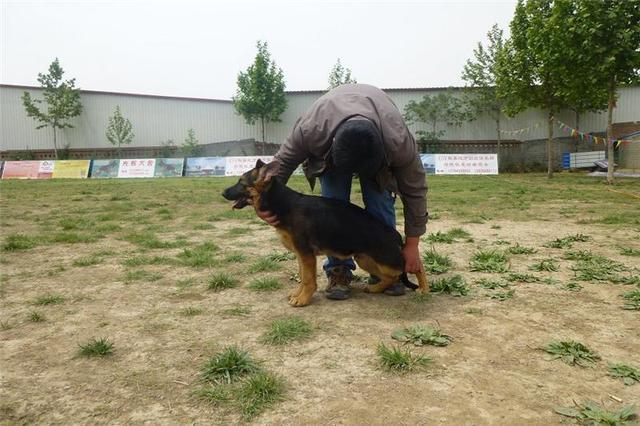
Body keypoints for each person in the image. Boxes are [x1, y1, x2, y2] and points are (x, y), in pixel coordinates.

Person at [257, 83, 428, 300]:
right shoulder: (312, 128)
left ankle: (385, 267)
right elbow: (281, 166)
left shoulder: (398, 141)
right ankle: (338, 270)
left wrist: (412, 245)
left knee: (379, 200)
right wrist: (267, 204)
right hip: (330, 154)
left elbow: (416, 191)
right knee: (331, 205)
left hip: (378, 150)